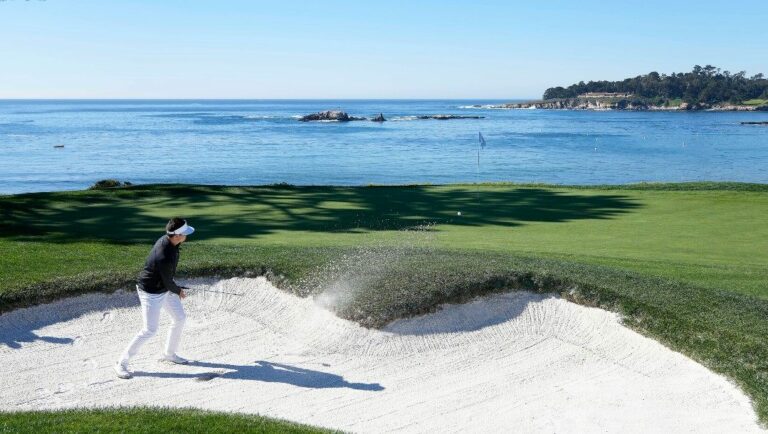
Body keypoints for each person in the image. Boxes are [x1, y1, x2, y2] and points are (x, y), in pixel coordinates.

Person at [114, 217, 195, 379]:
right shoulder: (164, 254)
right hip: (150, 292)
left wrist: (174, 288)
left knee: (179, 318)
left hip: (163, 288)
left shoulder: (171, 241)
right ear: (177, 236)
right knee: (150, 330)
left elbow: (166, 279)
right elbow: (167, 280)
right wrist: (178, 290)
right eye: (184, 234)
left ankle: (169, 354)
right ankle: (121, 362)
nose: (187, 236)